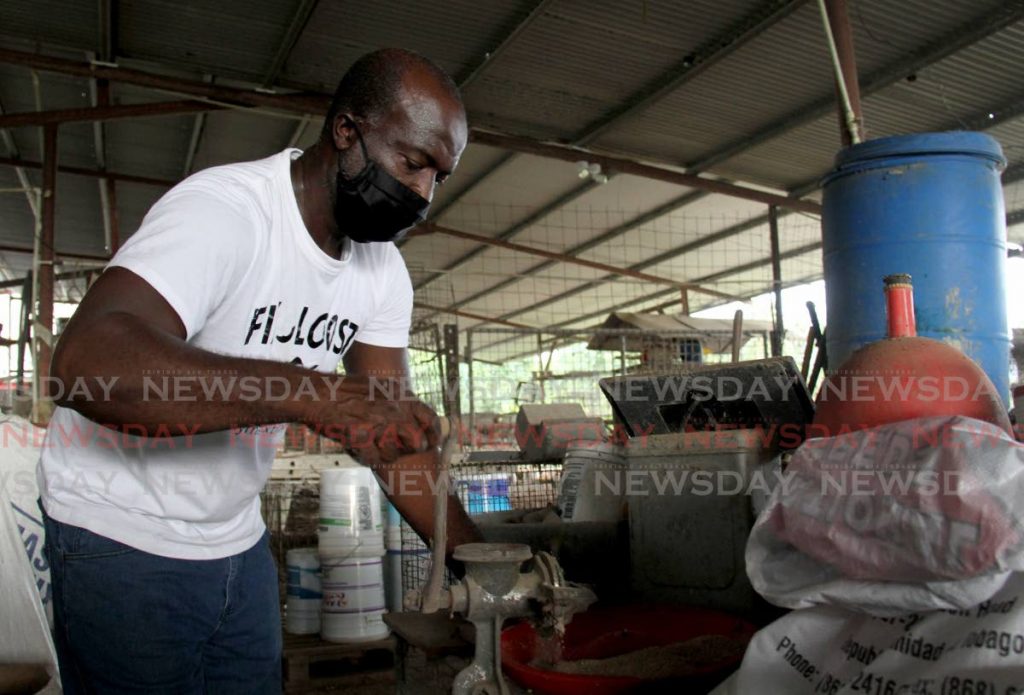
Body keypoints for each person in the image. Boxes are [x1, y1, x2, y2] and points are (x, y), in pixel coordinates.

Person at [38, 48, 482, 694]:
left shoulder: (382, 273)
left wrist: (483, 560)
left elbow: (396, 447)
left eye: (438, 176)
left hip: (235, 540)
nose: (421, 194)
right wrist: (315, 395)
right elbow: (85, 363)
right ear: (347, 132)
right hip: (120, 533)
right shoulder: (229, 213)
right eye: (411, 163)